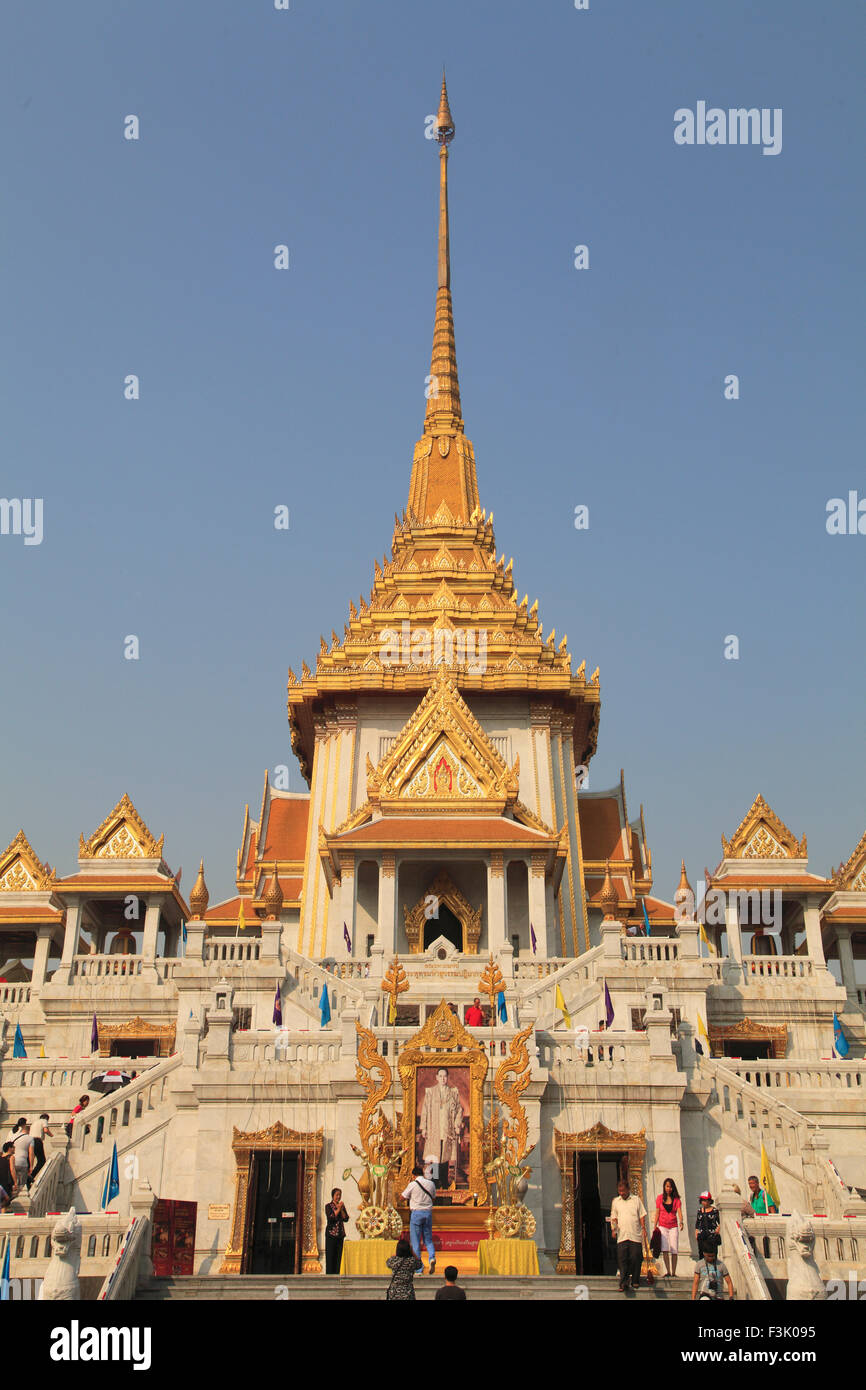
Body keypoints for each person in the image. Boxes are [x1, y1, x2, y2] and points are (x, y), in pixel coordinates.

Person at [419, 1067, 463, 1181]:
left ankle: (443, 1182)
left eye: (445, 1076)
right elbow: (425, 1110)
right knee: (435, 1155)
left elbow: (459, 1109)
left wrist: (457, 1124)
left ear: (447, 1078)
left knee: (445, 1156)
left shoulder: (453, 1092)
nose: (443, 1079)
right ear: (437, 1077)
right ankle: (435, 1182)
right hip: (434, 1128)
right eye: (441, 1076)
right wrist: (424, 1128)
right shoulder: (430, 1092)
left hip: (447, 1129)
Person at [610, 1178, 648, 1292]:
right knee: (622, 1259)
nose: (622, 1193)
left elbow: (641, 1214)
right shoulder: (616, 1201)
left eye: (624, 1191)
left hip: (635, 1234)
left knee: (636, 1257)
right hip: (622, 1234)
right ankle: (623, 1283)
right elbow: (614, 1216)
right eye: (620, 1191)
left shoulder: (636, 1200)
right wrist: (613, 1229)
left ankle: (635, 1279)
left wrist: (643, 1228)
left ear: (628, 1189)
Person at [401, 1163, 437, 1274]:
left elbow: (402, 1197)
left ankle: (419, 1268)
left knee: (415, 1242)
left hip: (416, 1213)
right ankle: (432, 1257)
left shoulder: (412, 1184)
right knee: (428, 1240)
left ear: (414, 1175)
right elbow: (434, 1198)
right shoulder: (431, 1184)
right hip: (428, 1213)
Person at [653, 1177, 684, 1277]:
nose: (668, 1189)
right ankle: (668, 1271)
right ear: (664, 1187)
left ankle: (674, 1272)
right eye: (667, 1186)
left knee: (674, 1249)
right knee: (665, 1248)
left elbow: (679, 1211)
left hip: (673, 1226)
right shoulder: (660, 1198)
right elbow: (657, 1212)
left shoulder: (676, 1200)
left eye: (670, 1187)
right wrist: (655, 1225)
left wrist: (681, 1221)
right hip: (663, 1225)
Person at [385, 1236, 423, 1301]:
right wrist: (412, 1252)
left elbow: (388, 1262)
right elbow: (419, 1264)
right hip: (407, 1291)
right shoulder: (411, 1261)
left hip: (394, 1291)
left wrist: (395, 1255)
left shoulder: (393, 1260)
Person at [324, 1187, 349, 1274]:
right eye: (337, 1195)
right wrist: (338, 1209)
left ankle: (337, 1274)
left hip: (340, 1235)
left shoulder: (342, 1206)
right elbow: (331, 1217)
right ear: (333, 1196)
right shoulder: (328, 1206)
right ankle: (329, 1276)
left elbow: (346, 1218)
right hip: (331, 1234)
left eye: (340, 1195)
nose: (338, 1197)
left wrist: (341, 1209)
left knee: (338, 1257)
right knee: (331, 1256)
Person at [28, 1113, 52, 1184]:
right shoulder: (44, 1121)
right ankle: (32, 1176)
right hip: (37, 1141)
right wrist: (52, 1136)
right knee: (42, 1160)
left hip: (30, 1140)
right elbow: (46, 1130)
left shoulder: (34, 1123)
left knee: (30, 1158)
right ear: (46, 1118)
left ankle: (28, 1175)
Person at [11, 1123, 34, 1191]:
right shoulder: (30, 1138)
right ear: (29, 1131)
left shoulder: (14, 1136)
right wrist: (31, 1166)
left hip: (13, 1161)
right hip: (23, 1163)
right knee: (22, 1185)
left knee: (14, 1183)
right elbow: (31, 1153)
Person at [0, 1142, 17, 1208]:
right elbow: (12, 1169)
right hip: (7, 1181)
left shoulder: (1, 1158)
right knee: (7, 1199)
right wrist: (15, 1182)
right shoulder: (11, 1157)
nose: (14, 1148)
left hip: (1, 1180)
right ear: (9, 1148)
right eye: (13, 1147)